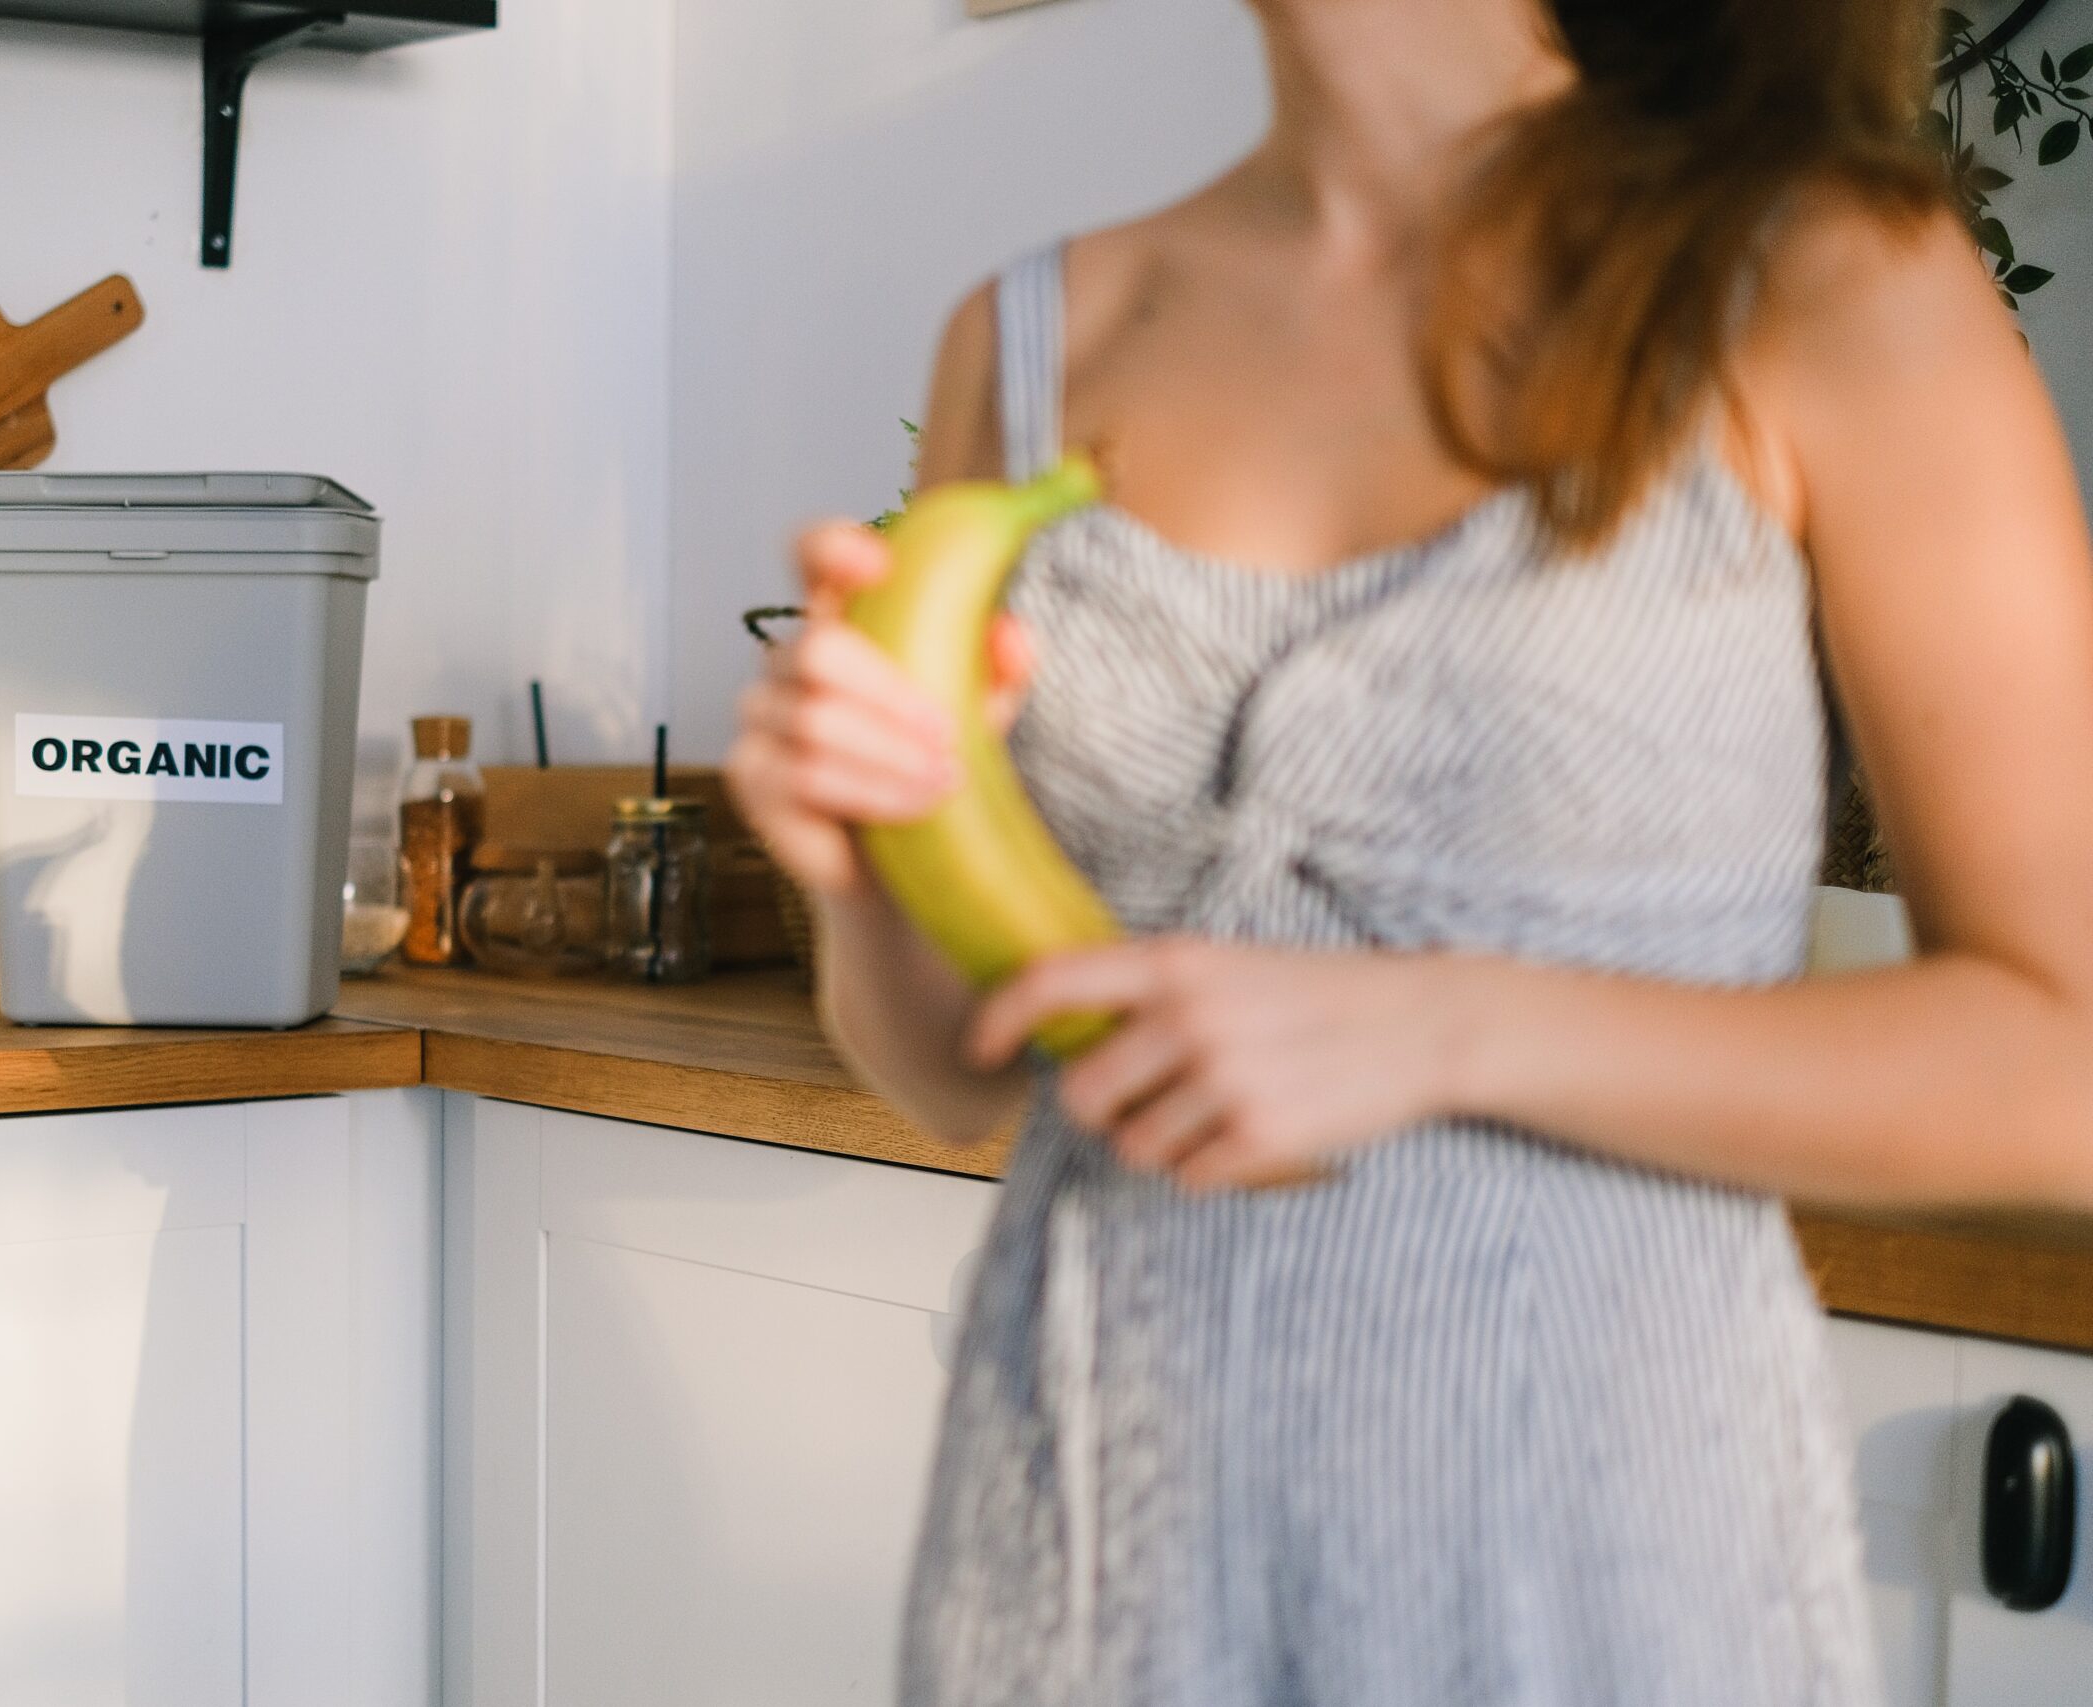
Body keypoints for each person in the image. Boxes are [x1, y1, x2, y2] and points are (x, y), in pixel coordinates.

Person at [725, 0, 2093, 1701]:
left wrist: (1442, 1027)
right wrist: (859, 858)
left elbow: (2065, 1071)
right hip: (1090, 1566)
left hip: (1604, 1570)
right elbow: (952, 1073)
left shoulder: (1821, 282)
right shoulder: (1040, 336)